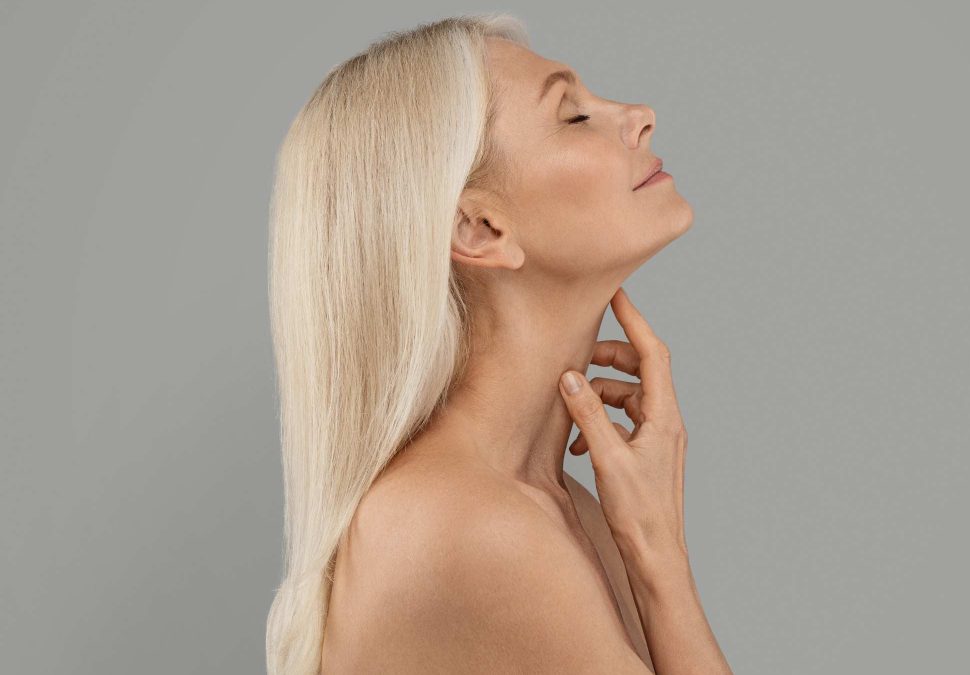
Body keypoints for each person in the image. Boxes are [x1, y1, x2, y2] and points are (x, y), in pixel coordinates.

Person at [265, 12, 731, 674]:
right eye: (574, 116)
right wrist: (661, 558)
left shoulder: (560, 508)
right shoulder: (464, 525)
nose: (639, 116)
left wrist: (655, 552)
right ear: (479, 227)